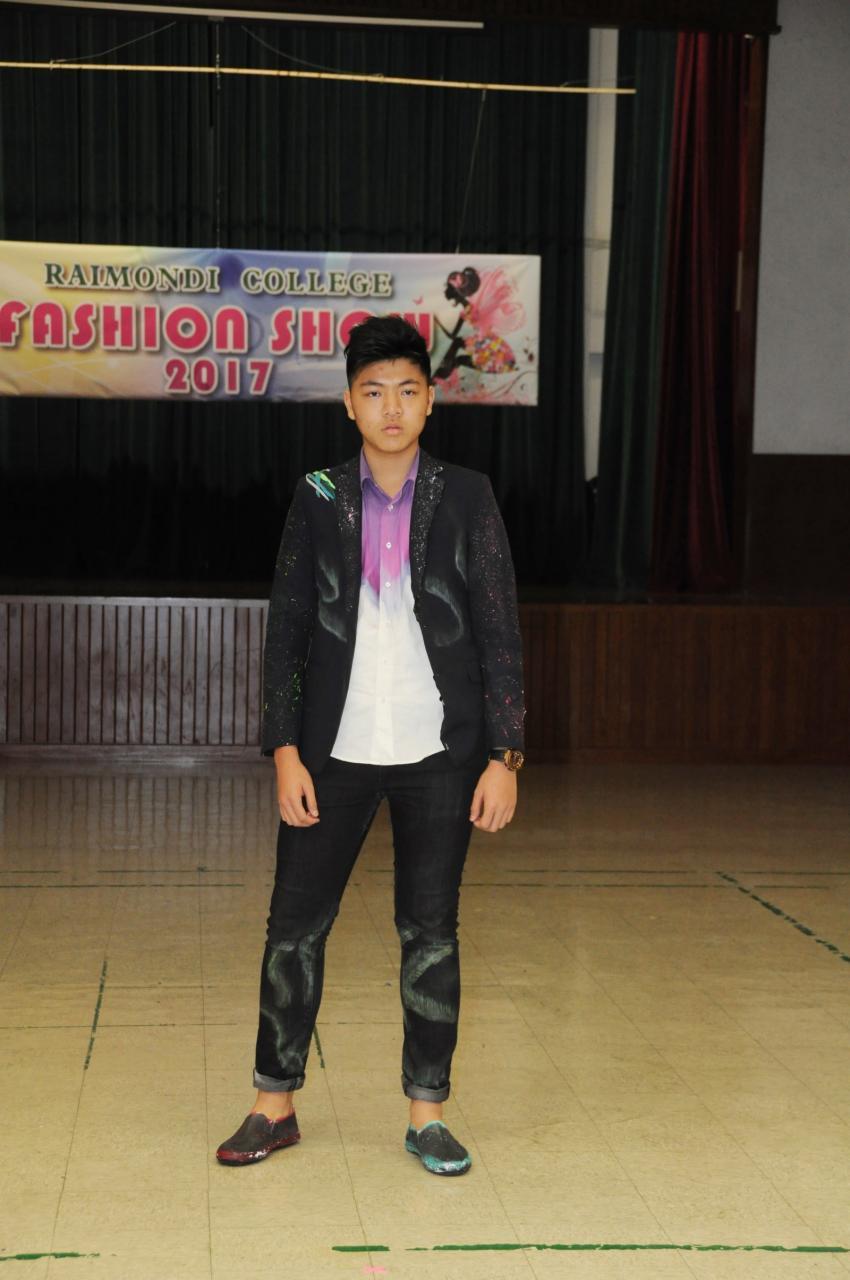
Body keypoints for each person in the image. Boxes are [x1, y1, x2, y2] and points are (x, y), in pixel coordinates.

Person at [216, 315, 525, 1176]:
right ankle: (273, 1105)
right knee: (293, 930)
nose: (391, 407)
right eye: (373, 392)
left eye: (407, 391)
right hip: (333, 753)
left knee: (431, 934)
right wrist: (284, 749)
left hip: (440, 753)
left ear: (430, 402)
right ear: (350, 404)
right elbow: (286, 631)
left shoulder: (468, 496)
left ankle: (428, 1115)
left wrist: (505, 755)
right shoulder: (318, 495)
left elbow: (500, 630)